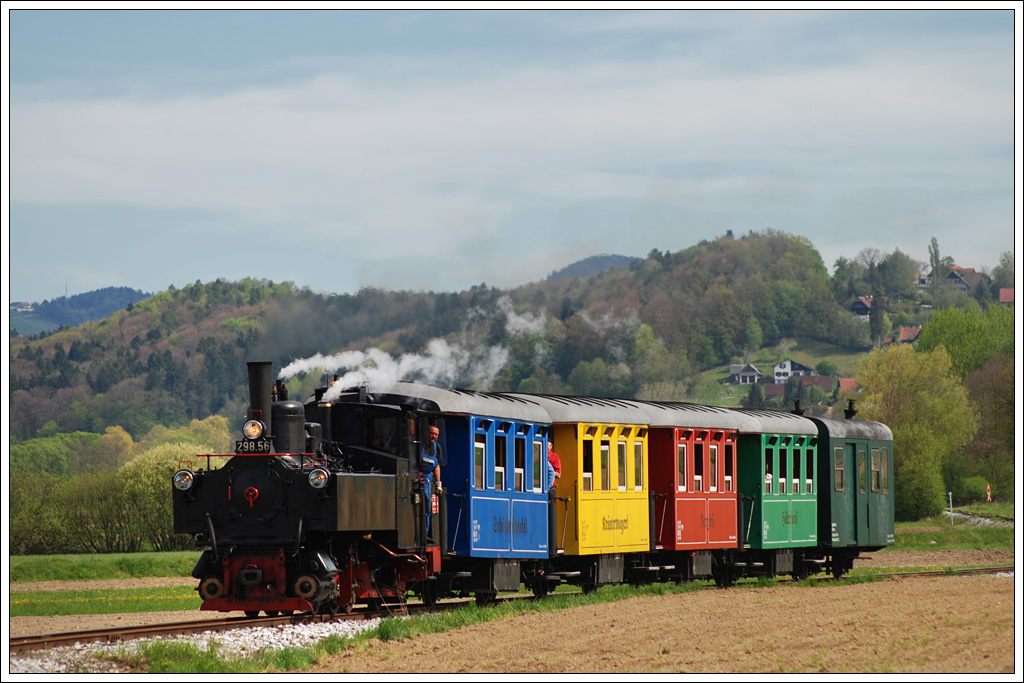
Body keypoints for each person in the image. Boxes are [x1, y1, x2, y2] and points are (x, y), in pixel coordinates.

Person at [420, 424, 442, 532]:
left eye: (436, 434)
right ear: (426, 433)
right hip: (418, 474)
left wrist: (438, 484)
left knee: (428, 503)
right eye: (431, 433)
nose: (433, 436)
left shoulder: (436, 447)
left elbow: (437, 466)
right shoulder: (420, 445)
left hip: (428, 476)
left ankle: (426, 530)